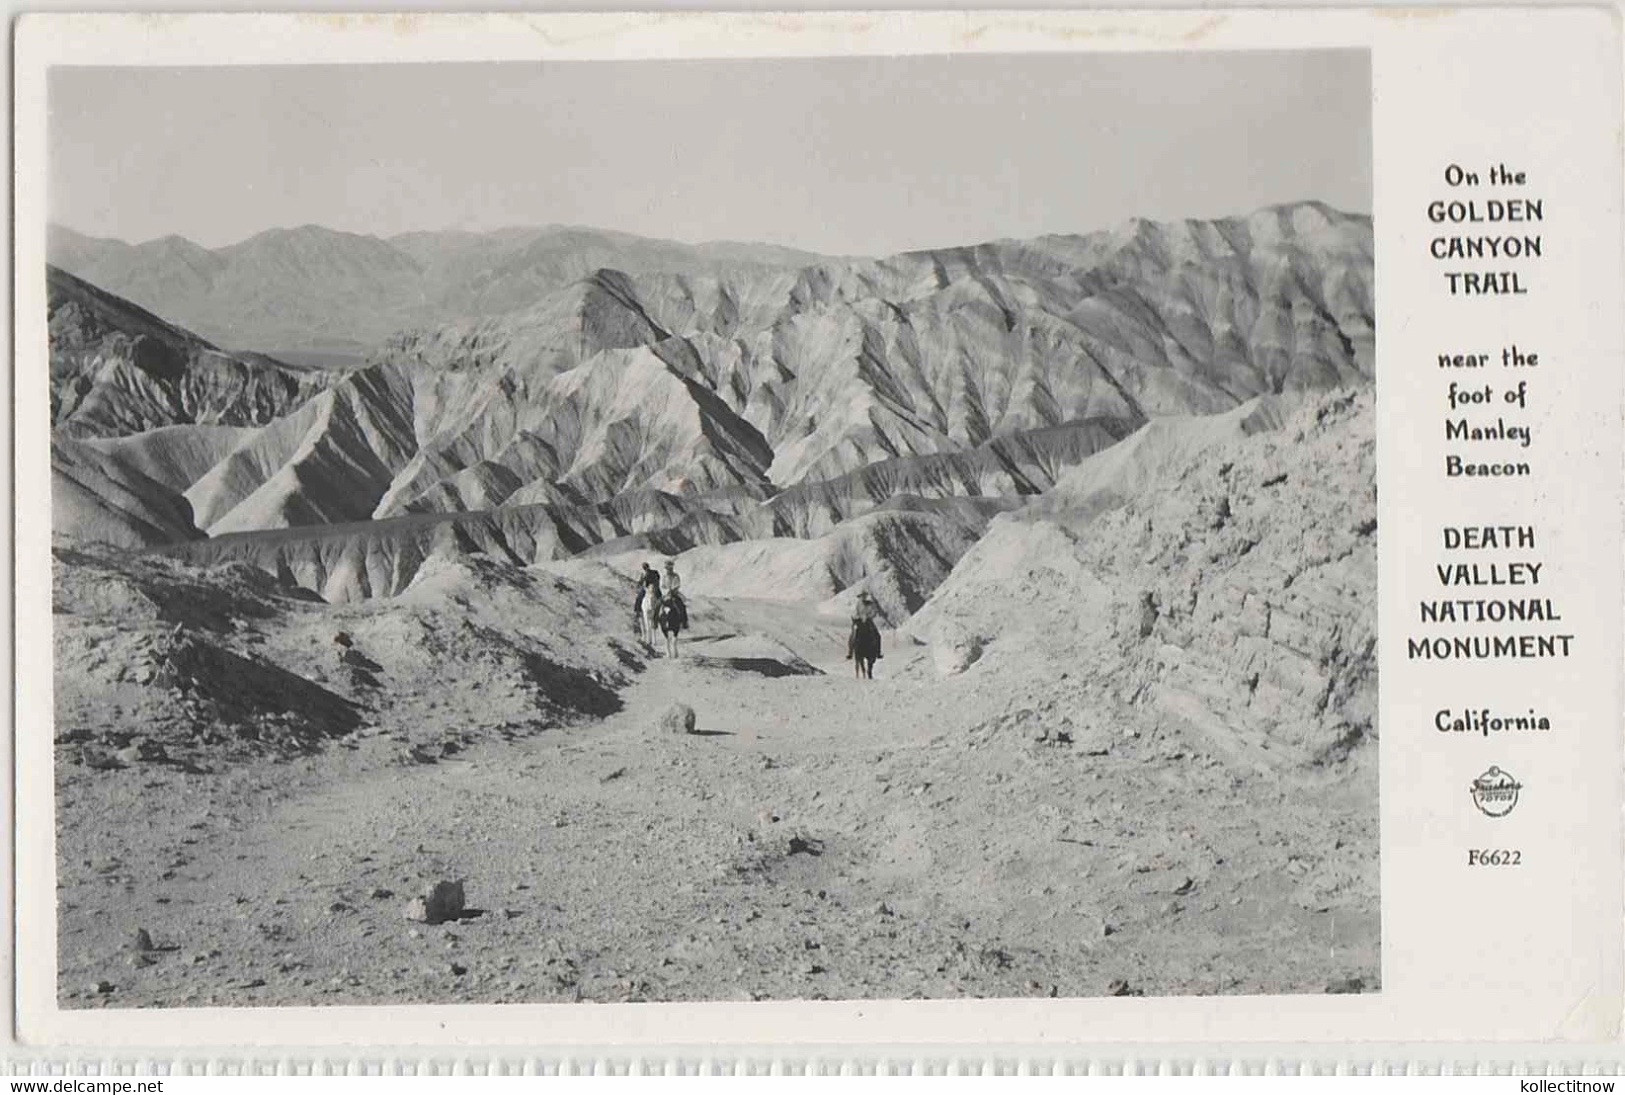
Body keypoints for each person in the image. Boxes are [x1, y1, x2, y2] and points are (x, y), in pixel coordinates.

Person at [847, 590, 886, 679]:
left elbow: (874, 612)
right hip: (860, 621)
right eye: (861, 596)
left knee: (877, 635)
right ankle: (850, 651)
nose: (862, 597)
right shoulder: (858, 605)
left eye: (864, 596)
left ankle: (878, 652)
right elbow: (856, 613)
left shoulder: (870, 604)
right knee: (853, 635)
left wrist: (869, 616)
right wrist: (858, 617)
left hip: (868, 621)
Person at [662, 559, 688, 631]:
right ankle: (656, 620)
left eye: (669, 568)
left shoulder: (676, 576)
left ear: (671, 568)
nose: (668, 570)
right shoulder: (664, 576)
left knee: (682, 606)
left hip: (674, 594)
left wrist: (673, 590)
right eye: (666, 568)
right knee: (658, 605)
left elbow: (677, 585)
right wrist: (666, 590)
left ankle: (684, 622)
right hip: (666, 594)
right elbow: (662, 585)